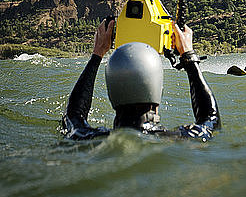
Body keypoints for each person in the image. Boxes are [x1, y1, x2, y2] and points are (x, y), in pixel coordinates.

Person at [61, 19, 220, 141]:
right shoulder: (183, 138)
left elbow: (73, 115)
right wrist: (188, 55)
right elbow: (210, 119)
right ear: (156, 91)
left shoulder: (84, 136)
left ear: (112, 92)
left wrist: (97, 53)